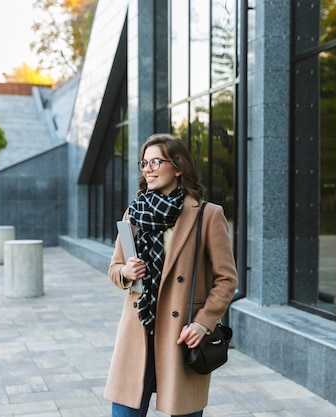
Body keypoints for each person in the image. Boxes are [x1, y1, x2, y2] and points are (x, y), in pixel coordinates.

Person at [104, 133, 238, 417]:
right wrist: (126, 272)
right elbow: (114, 269)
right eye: (144, 163)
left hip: (181, 334)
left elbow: (226, 279)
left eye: (156, 161)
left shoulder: (207, 215)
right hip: (138, 331)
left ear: (178, 167)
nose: (148, 169)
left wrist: (203, 323)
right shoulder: (134, 213)